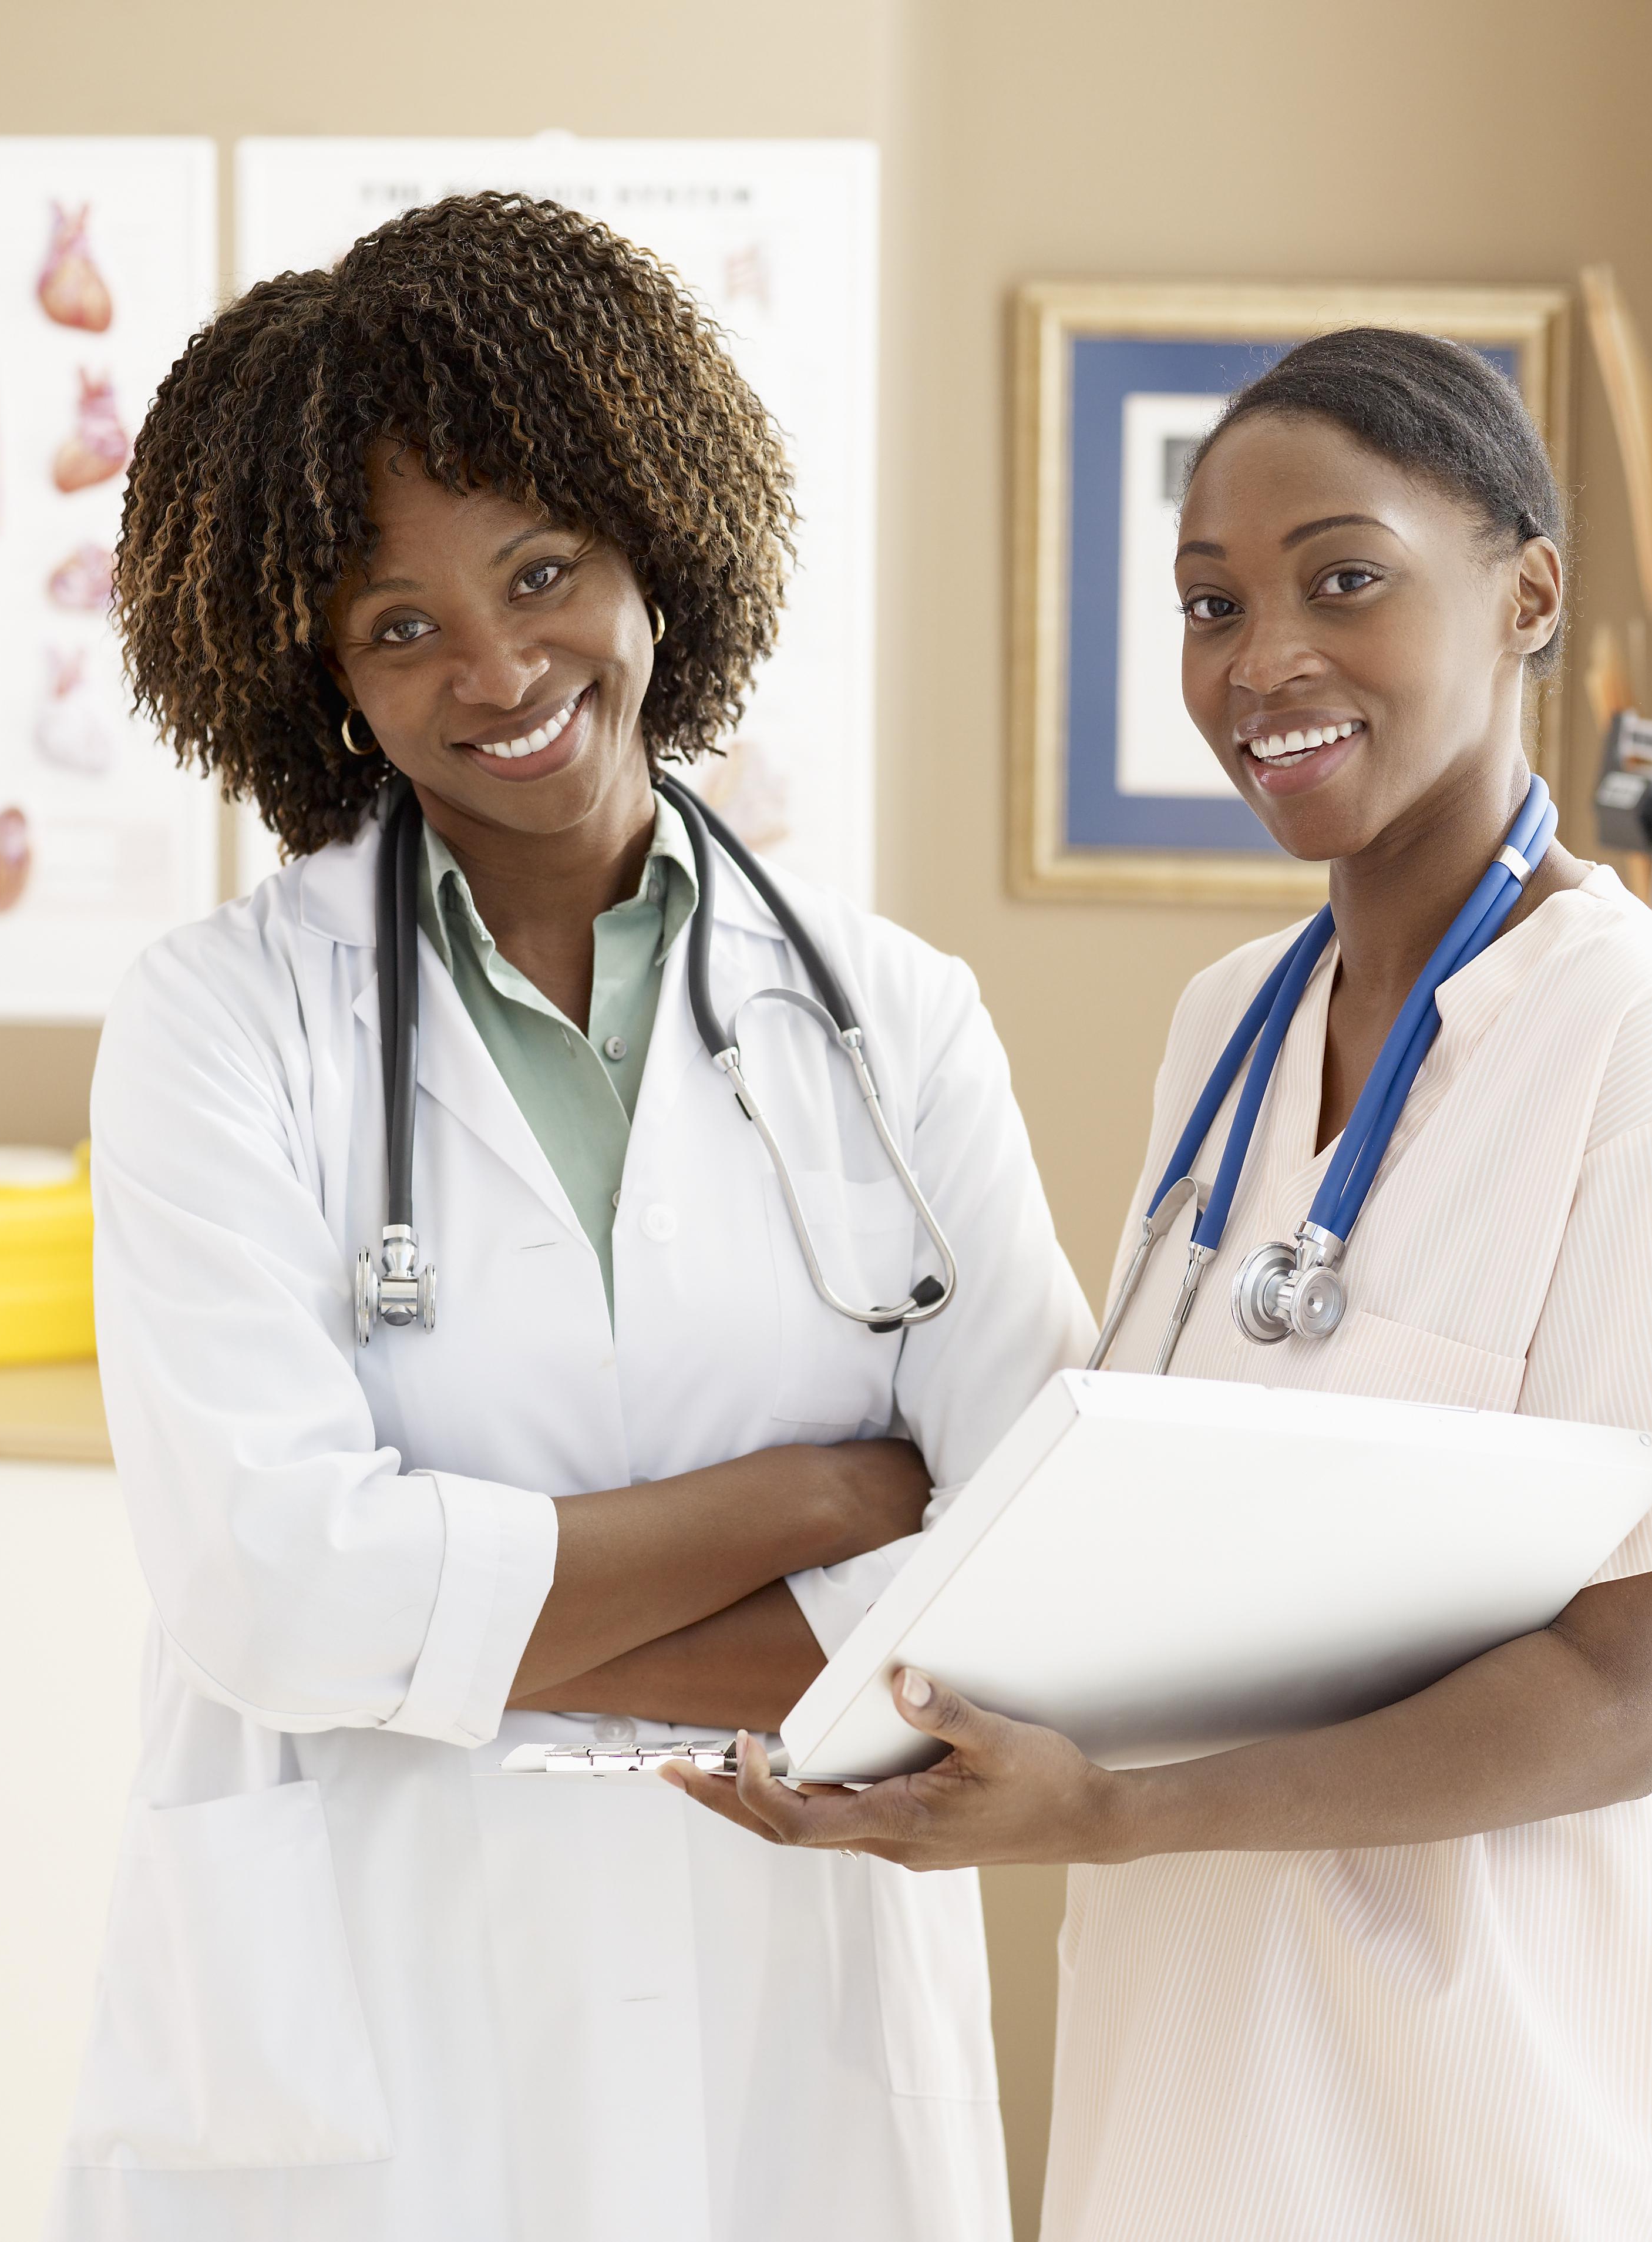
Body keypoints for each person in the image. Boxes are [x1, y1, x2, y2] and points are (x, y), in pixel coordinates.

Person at [668, 327, 1652, 2240]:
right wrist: (883, 1742)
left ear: (1527, 589)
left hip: (1520, 2117)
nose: (1261, 659)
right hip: (1212, 2084)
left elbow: (1626, 1696)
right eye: (1209, 603)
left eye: (1345, 577)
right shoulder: (1229, 1026)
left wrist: (1109, 1809)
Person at [54, 194, 1091, 2242]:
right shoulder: (217, 1026)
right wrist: (817, 1496)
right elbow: (266, 1594)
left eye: (542, 570)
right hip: (379, 2027)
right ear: (310, 666)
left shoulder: (892, 1021)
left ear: (653, 544)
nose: (500, 668)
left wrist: (458, 1633)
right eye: (399, 622)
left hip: (787, 2018)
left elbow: (1035, 1570)